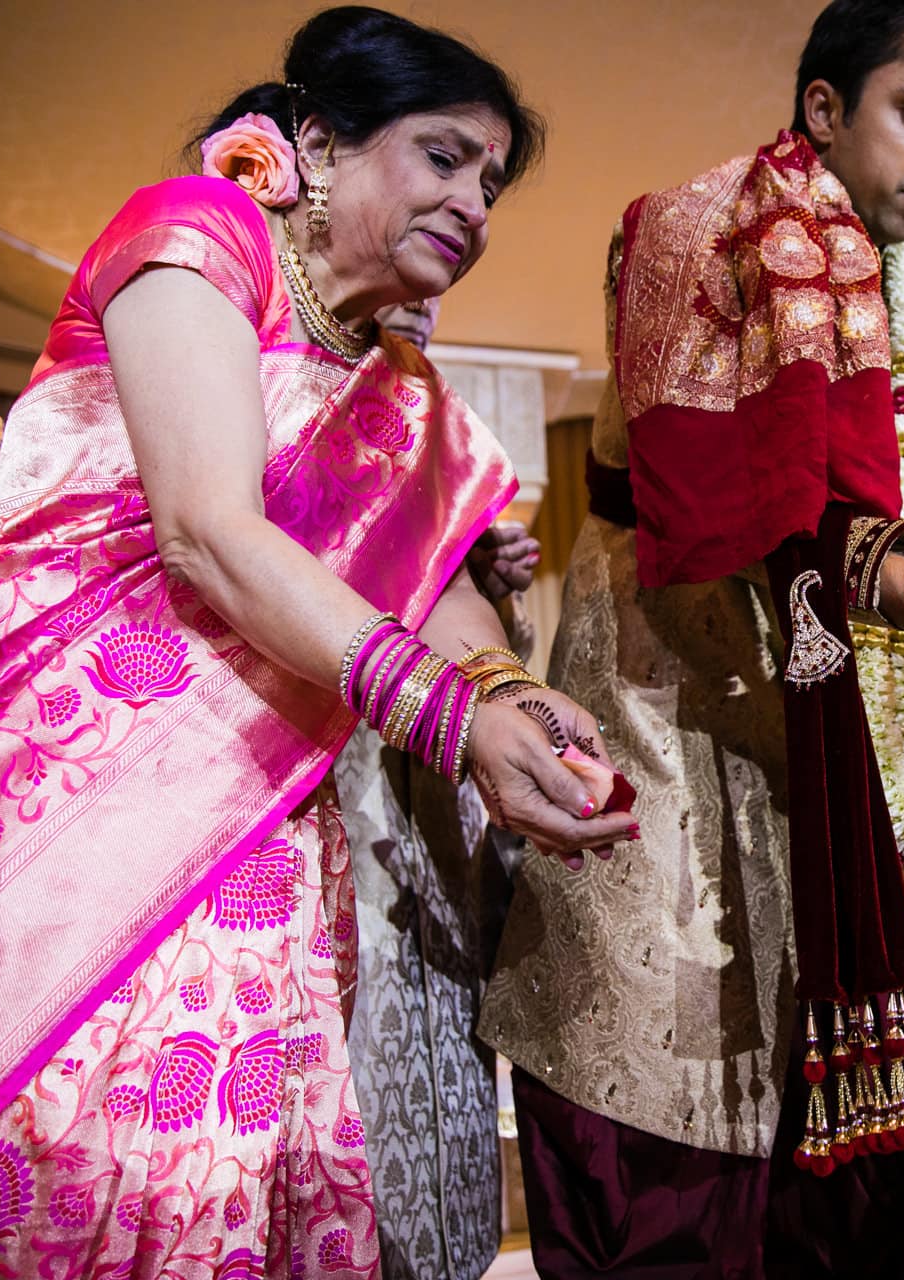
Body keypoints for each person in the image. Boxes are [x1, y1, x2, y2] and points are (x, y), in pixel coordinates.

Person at [0, 8, 636, 1277]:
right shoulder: (197, 237)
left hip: (255, 816)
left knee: (226, 1159)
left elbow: (437, 594)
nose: (474, 204)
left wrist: (512, 697)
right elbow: (207, 528)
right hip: (67, 786)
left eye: (491, 181)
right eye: (442, 156)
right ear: (315, 141)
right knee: (82, 1151)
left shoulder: (399, 392)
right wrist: (446, 715)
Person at [481, 3, 904, 1274]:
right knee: (680, 1144)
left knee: (874, 1173)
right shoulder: (688, 230)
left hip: (845, 738)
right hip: (673, 727)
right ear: (819, 108)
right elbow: (726, 521)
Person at [335, 293, 544, 1278]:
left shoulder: (437, 426)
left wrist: (488, 575)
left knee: (450, 1076)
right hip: (326, 799)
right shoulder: (267, 404)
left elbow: (473, 630)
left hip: (442, 817)